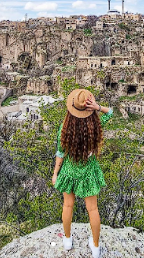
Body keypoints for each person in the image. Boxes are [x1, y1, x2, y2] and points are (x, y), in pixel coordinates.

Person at [52, 88, 113, 258]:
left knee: (68, 206)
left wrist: (56, 173)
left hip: (69, 171)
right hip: (88, 172)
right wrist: (98, 107)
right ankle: (95, 247)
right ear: (89, 108)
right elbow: (111, 113)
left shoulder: (64, 128)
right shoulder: (95, 126)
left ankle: (67, 240)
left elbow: (60, 153)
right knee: (93, 209)